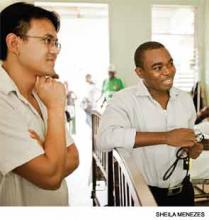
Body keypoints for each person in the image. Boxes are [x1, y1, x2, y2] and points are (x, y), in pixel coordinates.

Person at [97, 41, 203, 206]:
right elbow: (105, 138)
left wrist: (192, 148)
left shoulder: (184, 99)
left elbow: (186, 141)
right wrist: (165, 137)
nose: (168, 71)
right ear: (140, 72)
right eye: (157, 67)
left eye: (170, 64)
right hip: (144, 195)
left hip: (183, 193)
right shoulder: (124, 100)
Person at [0, 2, 79, 206]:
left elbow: (73, 157)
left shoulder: (43, 91)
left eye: (56, 42)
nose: (55, 50)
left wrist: (47, 152)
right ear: (14, 43)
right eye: (47, 40)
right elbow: (50, 178)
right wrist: (55, 108)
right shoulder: (3, 99)